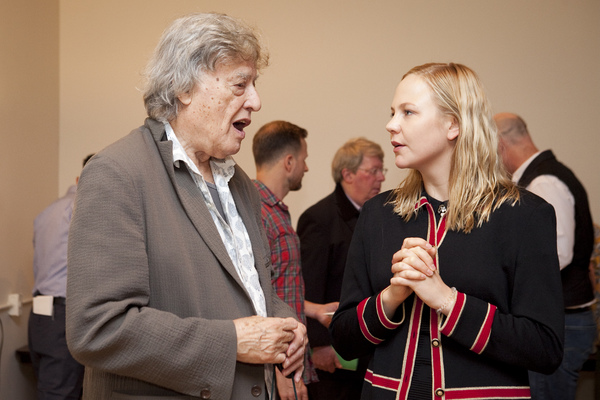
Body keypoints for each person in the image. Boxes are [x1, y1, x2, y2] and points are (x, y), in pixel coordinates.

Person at [65, 13, 306, 400]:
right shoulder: (116, 173)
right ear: (185, 88)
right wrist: (231, 342)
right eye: (240, 85)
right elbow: (97, 328)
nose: (256, 102)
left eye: (254, 85)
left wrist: (286, 322)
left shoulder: (241, 184)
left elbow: (250, 289)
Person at [329, 63, 564, 400]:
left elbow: (546, 349)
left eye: (408, 112)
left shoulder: (524, 215)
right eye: (392, 112)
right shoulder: (377, 215)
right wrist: (392, 296)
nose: (391, 124)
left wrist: (446, 300)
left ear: (453, 124)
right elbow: (344, 340)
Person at [495, 112, 596, 400]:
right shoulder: (545, 176)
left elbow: (556, 255)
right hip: (564, 320)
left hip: (562, 323)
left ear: (500, 144)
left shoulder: (544, 183)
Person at [297, 137, 385, 399]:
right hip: (331, 356)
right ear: (347, 174)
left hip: (364, 348)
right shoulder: (319, 218)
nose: (381, 178)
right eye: (373, 171)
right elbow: (308, 286)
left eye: (382, 171)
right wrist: (319, 346)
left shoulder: (377, 215)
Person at [252, 120, 317, 400]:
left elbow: (277, 285)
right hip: (278, 368)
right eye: (303, 160)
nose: (306, 168)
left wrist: (313, 309)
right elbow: (254, 298)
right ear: (289, 162)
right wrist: (282, 372)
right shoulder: (256, 213)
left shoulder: (274, 210)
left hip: (289, 360)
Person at [28, 153, 93, 400]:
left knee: (50, 388)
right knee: (60, 393)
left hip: (40, 315)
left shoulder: (47, 212)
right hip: (65, 315)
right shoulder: (84, 208)